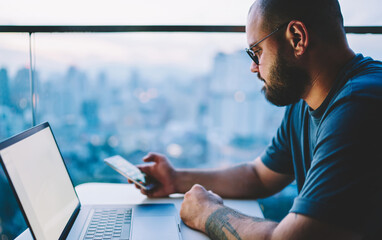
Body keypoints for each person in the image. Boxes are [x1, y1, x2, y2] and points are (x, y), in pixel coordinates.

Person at [132, 0, 382, 239]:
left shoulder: (360, 105)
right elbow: (259, 176)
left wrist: (206, 212)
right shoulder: (305, 101)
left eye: (257, 51)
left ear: (297, 38)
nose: (254, 67)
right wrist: (175, 179)